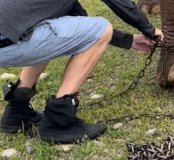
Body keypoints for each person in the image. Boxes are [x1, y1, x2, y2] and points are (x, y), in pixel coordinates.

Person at [0, 0, 163, 143]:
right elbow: (115, 7)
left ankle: (17, 112)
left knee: (50, 25)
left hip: (7, 37)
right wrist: (151, 30)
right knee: (101, 27)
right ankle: (58, 122)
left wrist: (129, 40)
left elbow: (80, 20)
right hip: (7, 40)